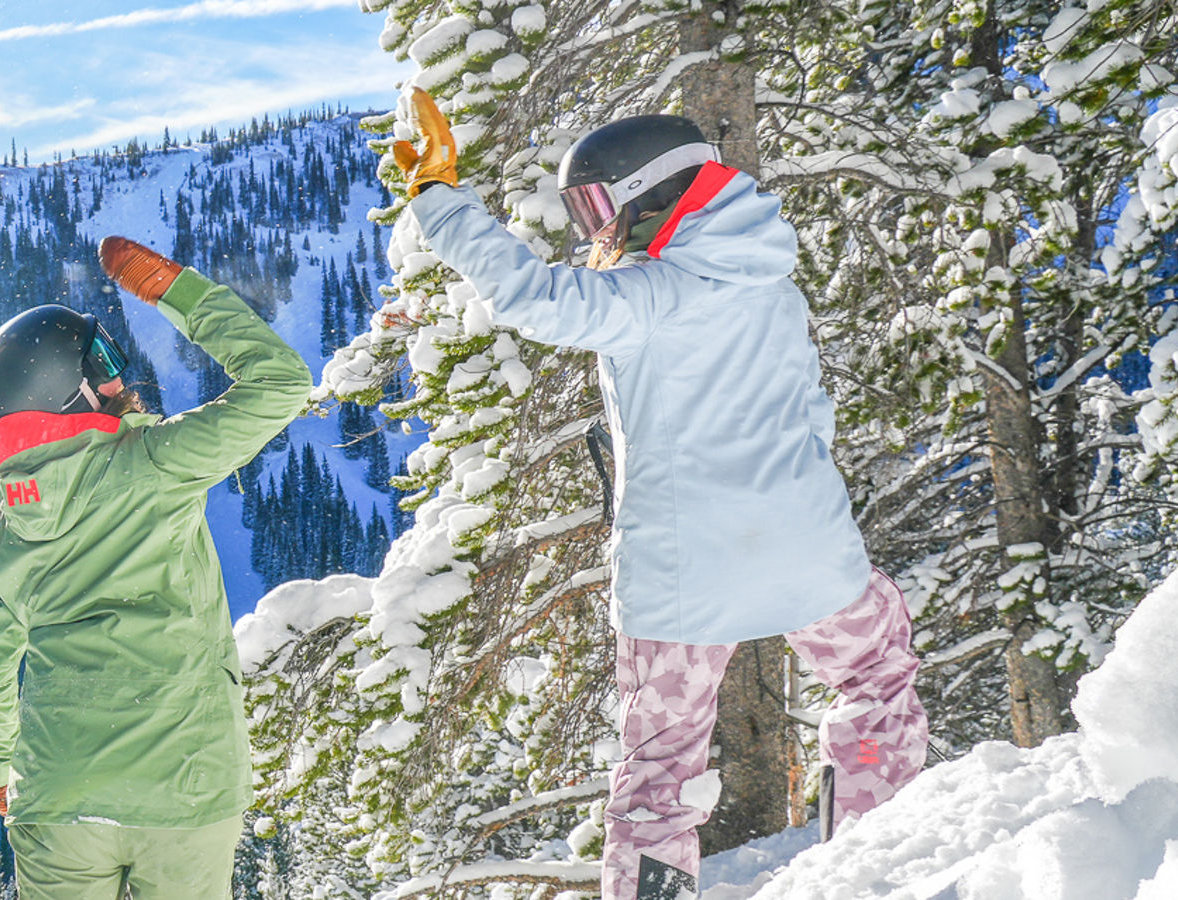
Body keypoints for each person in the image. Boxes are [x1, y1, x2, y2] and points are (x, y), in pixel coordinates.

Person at [385, 88, 928, 900]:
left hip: (681, 577)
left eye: (600, 204)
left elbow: (533, 297)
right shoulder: (771, 283)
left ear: (656, 192)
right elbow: (814, 410)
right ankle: (870, 864)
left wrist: (438, 200)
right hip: (810, 549)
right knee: (878, 681)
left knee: (660, 770)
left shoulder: (651, 297)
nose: (594, 229)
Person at [0, 236, 311, 900]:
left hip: (60, 796)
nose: (122, 375)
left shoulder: (12, 521)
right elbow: (282, 382)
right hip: (185, 788)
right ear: (69, 394)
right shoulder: (156, 462)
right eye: (102, 360)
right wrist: (173, 289)